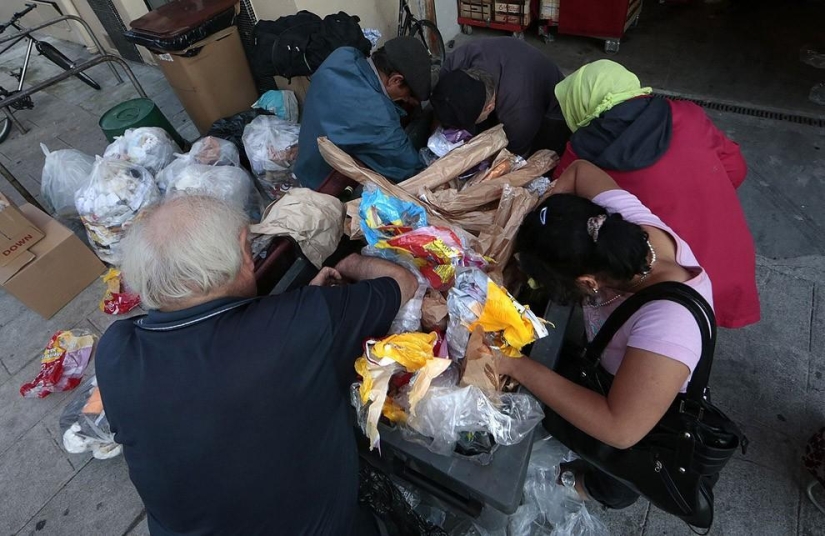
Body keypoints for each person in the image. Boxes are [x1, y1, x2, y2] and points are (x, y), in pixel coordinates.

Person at [95, 195, 418, 536]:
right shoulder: (300, 326)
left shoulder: (115, 351)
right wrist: (348, 261)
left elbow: (212, 387)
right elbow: (402, 283)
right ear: (243, 250)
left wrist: (296, 314)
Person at [503, 160, 714, 509]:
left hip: (644, 413)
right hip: (614, 363)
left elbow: (620, 428)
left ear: (588, 283)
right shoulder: (604, 229)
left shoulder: (670, 325)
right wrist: (551, 226)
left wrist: (513, 365)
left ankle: (598, 488)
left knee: (624, 464)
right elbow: (579, 171)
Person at [553, 59, 759, 328]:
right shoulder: (688, 115)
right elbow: (737, 170)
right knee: (696, 333)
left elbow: (560, 211)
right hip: (728, 260)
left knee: (672, 338)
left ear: (579, 105)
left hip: (664, 276)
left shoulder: (582, 152)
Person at [294, 37, 432, 188]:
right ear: (395, 80)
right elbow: (406, 166)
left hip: (306, 155)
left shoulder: (343, 55)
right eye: (407, 94)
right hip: (324, 183)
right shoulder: (379, 115)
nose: (405, 99)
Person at [430, 37, 568, 155]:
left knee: (542, 155)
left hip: (554, 104)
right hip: (512, 61)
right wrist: (434, 142)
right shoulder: (454, 63)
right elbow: (439, 110)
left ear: (489, 107)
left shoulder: (520, 114)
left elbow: (513, 158)